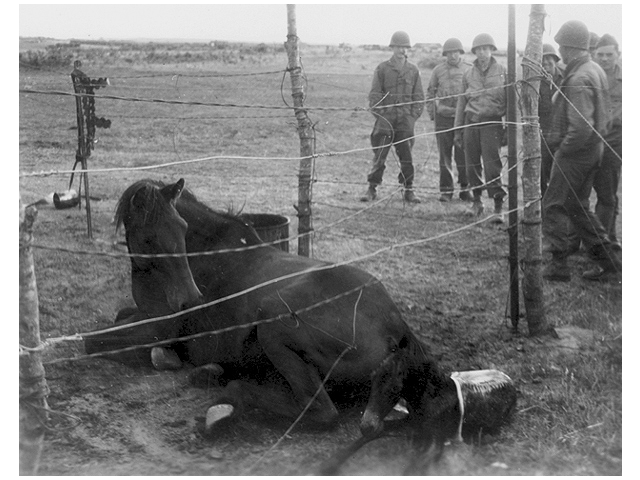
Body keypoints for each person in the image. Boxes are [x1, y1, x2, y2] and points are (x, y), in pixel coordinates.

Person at [542, 20, 621, 282]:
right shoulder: (594, 69)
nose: (561, 53)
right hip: (593, 151)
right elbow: (605, 115)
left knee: (553, 204)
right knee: (577, 207)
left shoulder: (579, 77)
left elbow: (581, 126)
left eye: (562, 47)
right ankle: (610, 261)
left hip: (577, 153)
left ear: (569, 48)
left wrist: (564, 150)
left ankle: (558, 264)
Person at [361, 31, 425, 204]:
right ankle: (372, 188)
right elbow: (374, 96)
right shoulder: (382, 69)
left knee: (407, 157)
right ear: (392, 47)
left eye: (404, 47)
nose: (401, 50)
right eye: (397, 46)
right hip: (386, 120)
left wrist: (412, 118)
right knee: (380, 155)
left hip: (405, 121)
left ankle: (409, 189)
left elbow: (419, 98)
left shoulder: (413, 70)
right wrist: (381, 116)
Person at [454, 33, 507, 223]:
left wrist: (508, 127)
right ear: (475, 51)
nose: (482, 53)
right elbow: (462, 101)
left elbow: (510, 101)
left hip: (492, 123)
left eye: (486, 48)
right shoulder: (468, 74)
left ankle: (498, 207)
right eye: (479, 49)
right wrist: (458, 129)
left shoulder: (503, 71)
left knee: (493, 165)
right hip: (471, 122)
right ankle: (477, 202)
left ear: (492, 50)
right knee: (471, 165)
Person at [426, 38, 472, 203]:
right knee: (444, 157)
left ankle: (466, 189)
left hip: (462, 120)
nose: (453, 55)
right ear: (445, 54)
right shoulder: (438, 71)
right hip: (443, 119)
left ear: (460, 53)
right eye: (449, 52)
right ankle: (446, 191)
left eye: (456, 52)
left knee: (464, 156)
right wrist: (433, 114)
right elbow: (430, 93)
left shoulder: (469, 70)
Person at [592, 33, 622, 249]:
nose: (604, 59)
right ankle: (603, 237)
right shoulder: (591, 76)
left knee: (607, 192)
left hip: (615, 141)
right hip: (590, 141)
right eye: (600, 54)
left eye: (609, 54)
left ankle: (605, 241)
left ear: (617, 55)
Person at [539, 44, 564, 198]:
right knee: (542, 170)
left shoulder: (565, 78)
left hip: (561, 131)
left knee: (560, 171)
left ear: (555, 61)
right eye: (543, 62)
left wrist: (552, 84)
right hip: (543, 131)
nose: (546, 65)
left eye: (549, 61)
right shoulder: (534, 82)